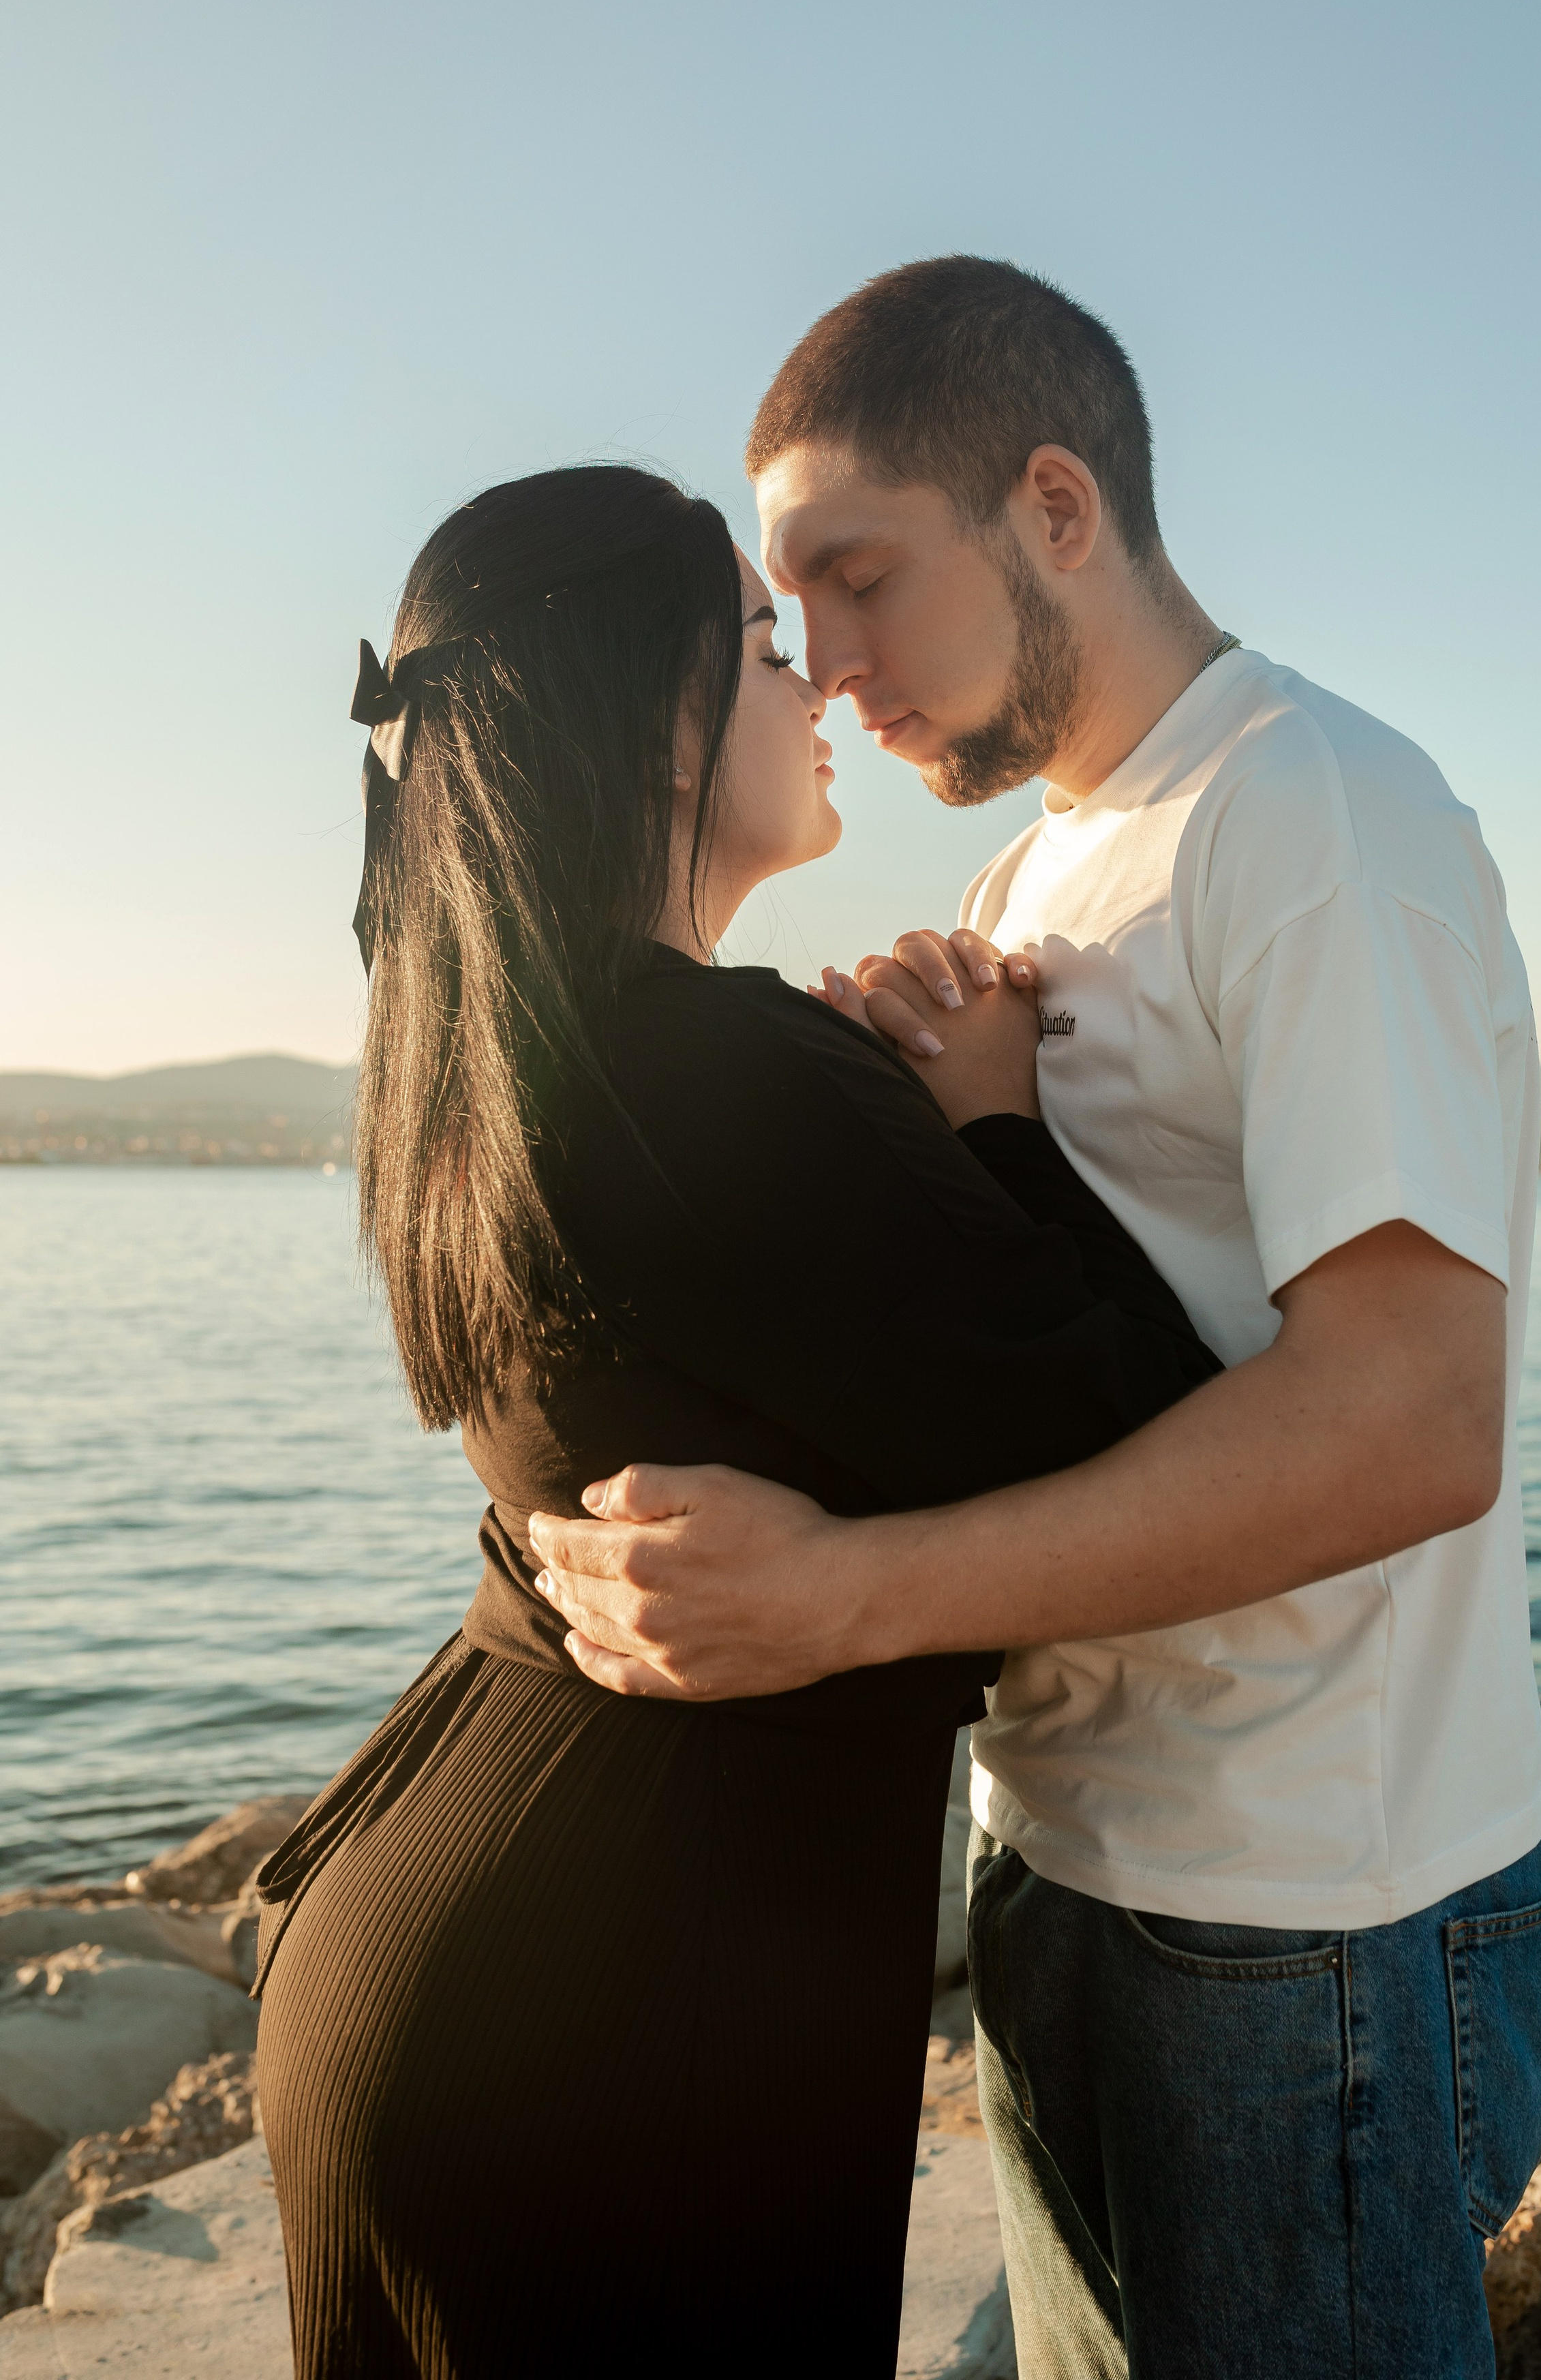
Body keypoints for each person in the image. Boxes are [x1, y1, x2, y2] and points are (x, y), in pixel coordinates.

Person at [530, 262, 1541, 2380]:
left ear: (1059, 509)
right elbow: (1045, 1315)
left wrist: (840, 1602)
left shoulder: (1320, 819)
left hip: (1308, 1923)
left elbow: (1407, 1426)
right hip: (1078, 1856)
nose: (825, 668)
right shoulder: (1033, 882)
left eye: (863, 578)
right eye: (791, 609)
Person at [250, 462, 1220, 2379]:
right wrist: (997, 1119)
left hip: (447, 1937)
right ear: (664, 717)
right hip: (626, 2028)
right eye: (772, 647)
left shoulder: (491, 1056)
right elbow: (1163, 1445)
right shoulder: (723, 1073)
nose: (826, 688)